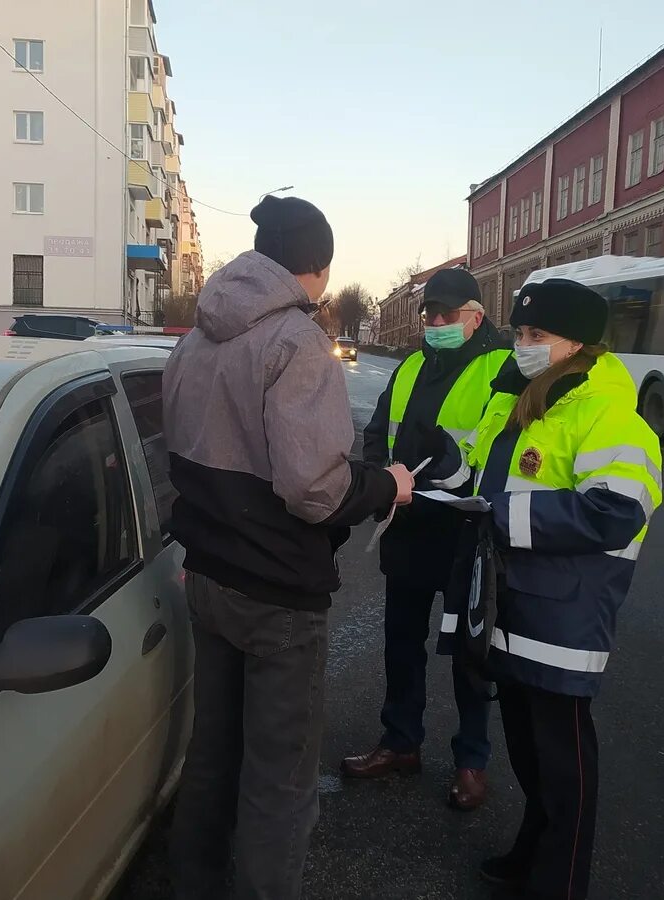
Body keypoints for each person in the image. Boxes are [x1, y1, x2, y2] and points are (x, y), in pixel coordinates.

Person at [163, 195, 415, 900]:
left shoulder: (197, 336)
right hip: (277, 597)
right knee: (280, 783)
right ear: (318, 267)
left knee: (211, 758)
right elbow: (315, 490)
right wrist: (385, 486)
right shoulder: (296, 343)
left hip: (208, 579)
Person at [426, 278, 663, 900]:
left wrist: (499, 516)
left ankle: (560, 883)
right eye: (522, 333)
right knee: (528, 753)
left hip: (563, 618)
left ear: (578, 344)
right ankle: (533, 850)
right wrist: (441, 466)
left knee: (564, 765)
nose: (524, 345)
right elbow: (482, 470)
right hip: (512, 605)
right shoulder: (524, 398)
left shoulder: (607, 412)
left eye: (538, 336)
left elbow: (617, 509)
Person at [341, 268, 511, 813]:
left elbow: (505, 452)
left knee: (469, 654)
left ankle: (472, 762)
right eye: (429, 313)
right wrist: (377, 481)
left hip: (465, 533)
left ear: (475, 316)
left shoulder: (501, 368)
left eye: (446, 314)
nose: (435, 322)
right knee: (402, 643)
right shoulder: (412, 365)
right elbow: (377, 431)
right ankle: (400, 742)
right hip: (409, 529)